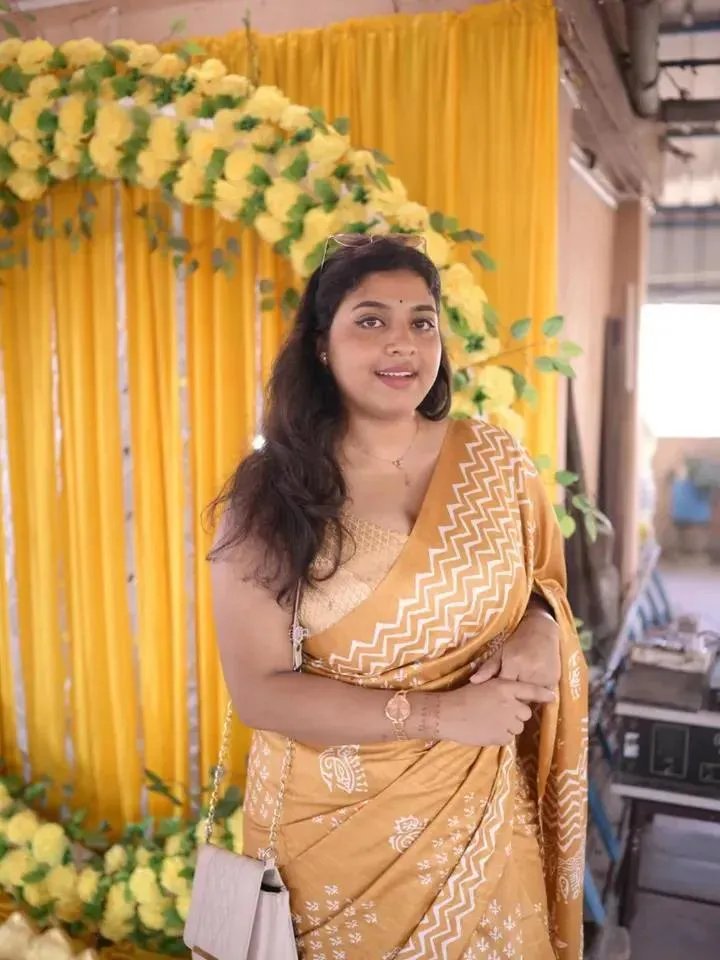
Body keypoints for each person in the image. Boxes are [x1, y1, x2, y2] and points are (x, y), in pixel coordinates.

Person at [208, 235, 588, 960]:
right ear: (321, 346)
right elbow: (259, 692)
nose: (402, 342)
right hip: (335, 838)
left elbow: (545, 583)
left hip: (483, 811)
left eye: (422, 321)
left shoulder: (495, 459)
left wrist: (541, 629)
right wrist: (445, 715)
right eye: (371, 320)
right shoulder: (272, 494)